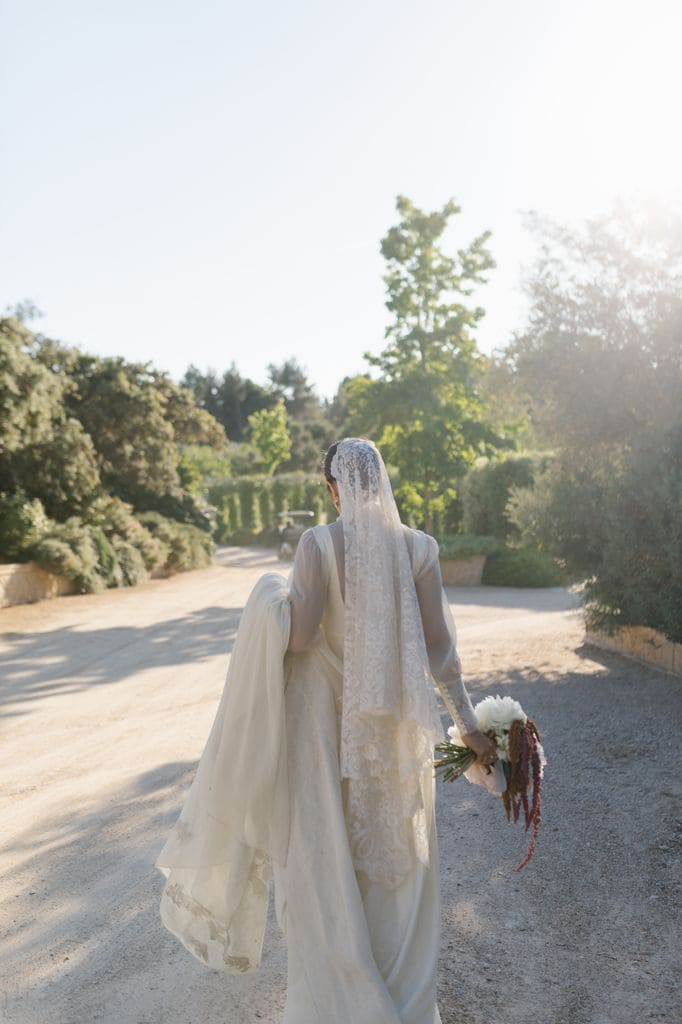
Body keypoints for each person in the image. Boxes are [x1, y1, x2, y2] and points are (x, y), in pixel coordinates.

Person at [154, 437, 495, 1024]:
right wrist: (468, 727)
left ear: (334, 489)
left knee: (322, 869)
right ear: (382, 483)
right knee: (400, 867)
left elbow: (302, 638)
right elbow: (441, 654)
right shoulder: (419, 549)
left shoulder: (317, 544)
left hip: (319, 732)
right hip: (392, 734)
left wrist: (268, 600)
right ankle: (408, 1008)